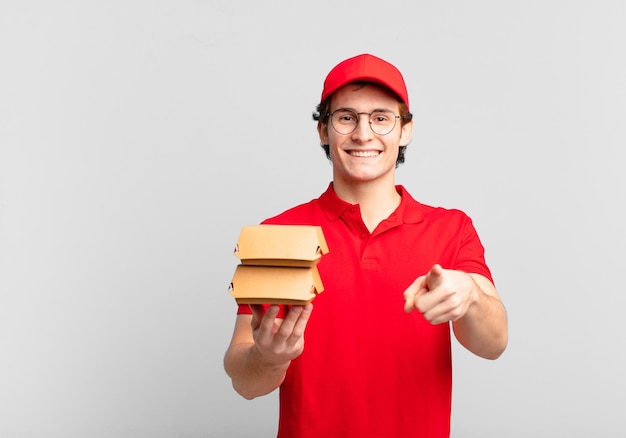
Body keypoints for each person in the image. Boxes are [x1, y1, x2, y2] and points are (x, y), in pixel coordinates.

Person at [224, 53, 508, 438]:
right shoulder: (278, 232)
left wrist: (470, 296)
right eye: (346, 118)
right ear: (324, 130)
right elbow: (244, 379)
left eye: (381, 117)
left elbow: (494, 344)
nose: (363, 134)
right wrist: (268, 359)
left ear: (405, 130)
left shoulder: (452, 229)